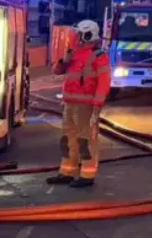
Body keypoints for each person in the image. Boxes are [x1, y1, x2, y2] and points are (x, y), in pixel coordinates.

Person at [46, 19, 110, 188]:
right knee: (67, 139)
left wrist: (97, 104)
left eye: (79, 34)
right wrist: (63, 61)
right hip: (70, 104)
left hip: (87, 106)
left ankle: (87, 174)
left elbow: (104, 82)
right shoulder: (73, 53)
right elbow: (56, 71)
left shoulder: (99, 56)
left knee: (86, 140)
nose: (76, 37)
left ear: (88, 34)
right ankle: (67, 171)